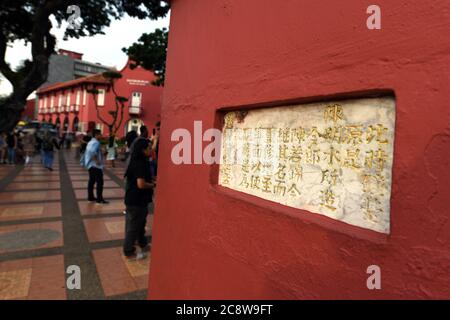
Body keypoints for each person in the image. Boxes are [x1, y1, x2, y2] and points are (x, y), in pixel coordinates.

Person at [123, 138, 155, 259]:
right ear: (143, 149)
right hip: (136, 200)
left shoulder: (138, 160)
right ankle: (128, 251)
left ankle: (143, 243)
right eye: (149, 148)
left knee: (140, 223)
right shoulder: (140, 163)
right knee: (134, 227)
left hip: (135, 199)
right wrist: (154, 185)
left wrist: (152, 179)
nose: (151, 150)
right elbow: (141, 184)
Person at [85, 129, 108, 204]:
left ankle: (90, 197)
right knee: (100, 182)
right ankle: (99, 199)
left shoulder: (91, 142)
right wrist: (97, 160)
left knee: (91, 181)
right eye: (100, 134)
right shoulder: (96, 142)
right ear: (96, 135)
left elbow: (92, 151)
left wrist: (102, 153)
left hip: (90, 165)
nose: (101, 135)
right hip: (95, 166)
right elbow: (92, 152)